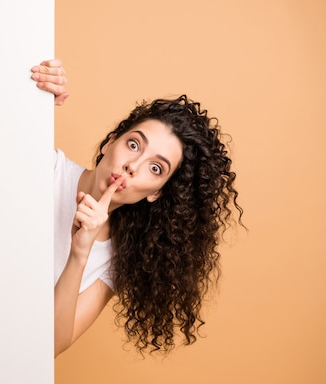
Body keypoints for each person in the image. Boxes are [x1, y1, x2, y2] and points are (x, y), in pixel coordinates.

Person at [31, 60, 244, 358]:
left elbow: (48, 347)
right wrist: (29, 101)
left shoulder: (113, 262)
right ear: (110, 143)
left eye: (155, 168)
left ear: (156, 193)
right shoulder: (46, 168)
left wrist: (80, 253)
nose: (133, 166)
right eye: (134, 145)